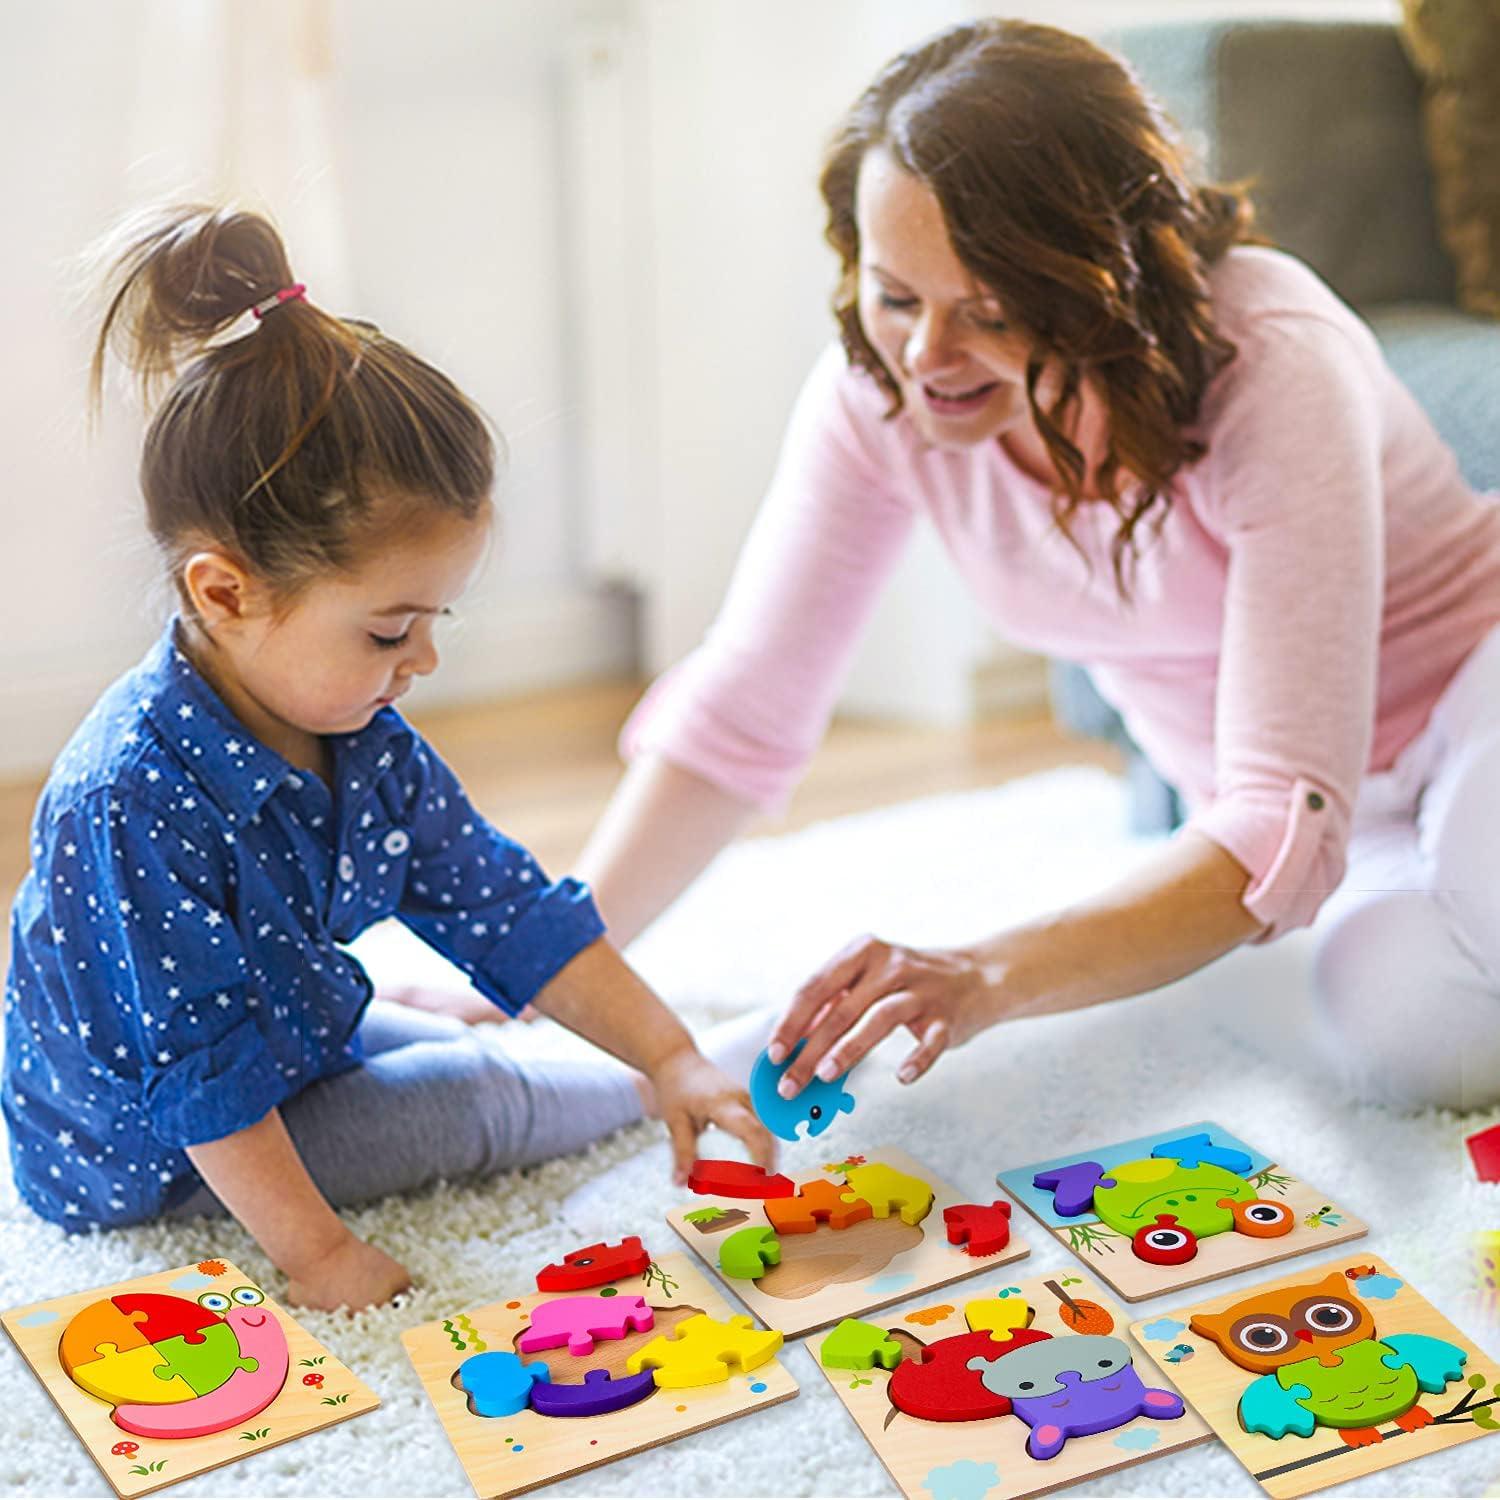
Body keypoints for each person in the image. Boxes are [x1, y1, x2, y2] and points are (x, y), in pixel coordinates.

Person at [574, 20, 1500, 1113]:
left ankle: (1201, 986)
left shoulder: (1270, 360)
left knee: (1427, 1004)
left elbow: (1276, 810)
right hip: (1312, 820)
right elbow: (745, 704)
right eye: (897, 295)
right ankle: (1210, 982)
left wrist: (987, 976)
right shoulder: (882, 394)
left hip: (1467, 702)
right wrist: (552, 964)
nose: (926, 357)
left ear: (1105, 278)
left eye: (993, 310)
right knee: (1406, 1028)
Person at [2, 206, 772, 1312]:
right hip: (149, 1153)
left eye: (434, 620)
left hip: (285, 1024)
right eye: (389, 630)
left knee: (461, 1023)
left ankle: (673, 1073)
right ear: (224, 592)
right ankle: (624, 1097)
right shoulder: (127, 804)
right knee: (469, 1098)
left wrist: (668, 1049)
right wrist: (317, 1256)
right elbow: (204, 1083)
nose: (424, 660)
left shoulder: (358, 734)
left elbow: (507, 908)